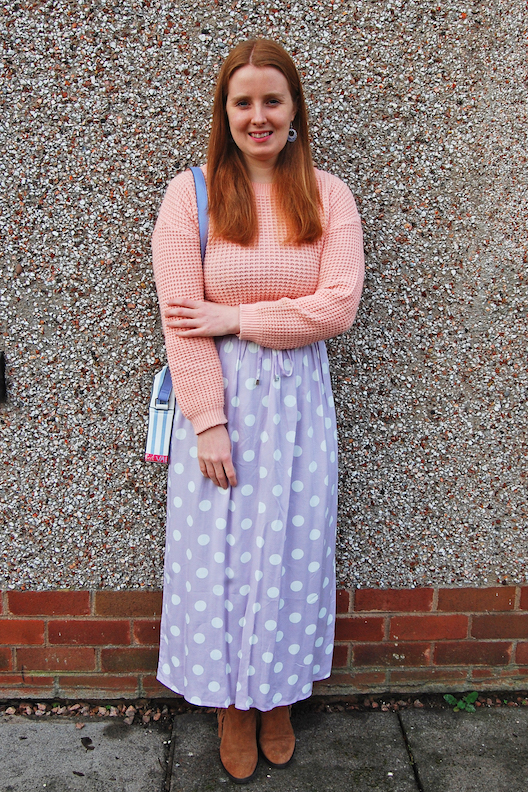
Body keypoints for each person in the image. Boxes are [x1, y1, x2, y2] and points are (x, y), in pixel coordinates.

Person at [152, 38, 364, 783]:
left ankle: (278, 698)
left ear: (295, 107)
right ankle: (230, 706)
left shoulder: (328, 195)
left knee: (292, 553)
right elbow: (183, 320)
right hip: (221, 400)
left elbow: (336, 307)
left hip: (300, 406)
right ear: (226, 112)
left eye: (272, 99)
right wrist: (207, 422)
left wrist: (236, 317)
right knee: (220, 560)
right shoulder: (191, 197)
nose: (259, 115)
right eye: (243, 102)